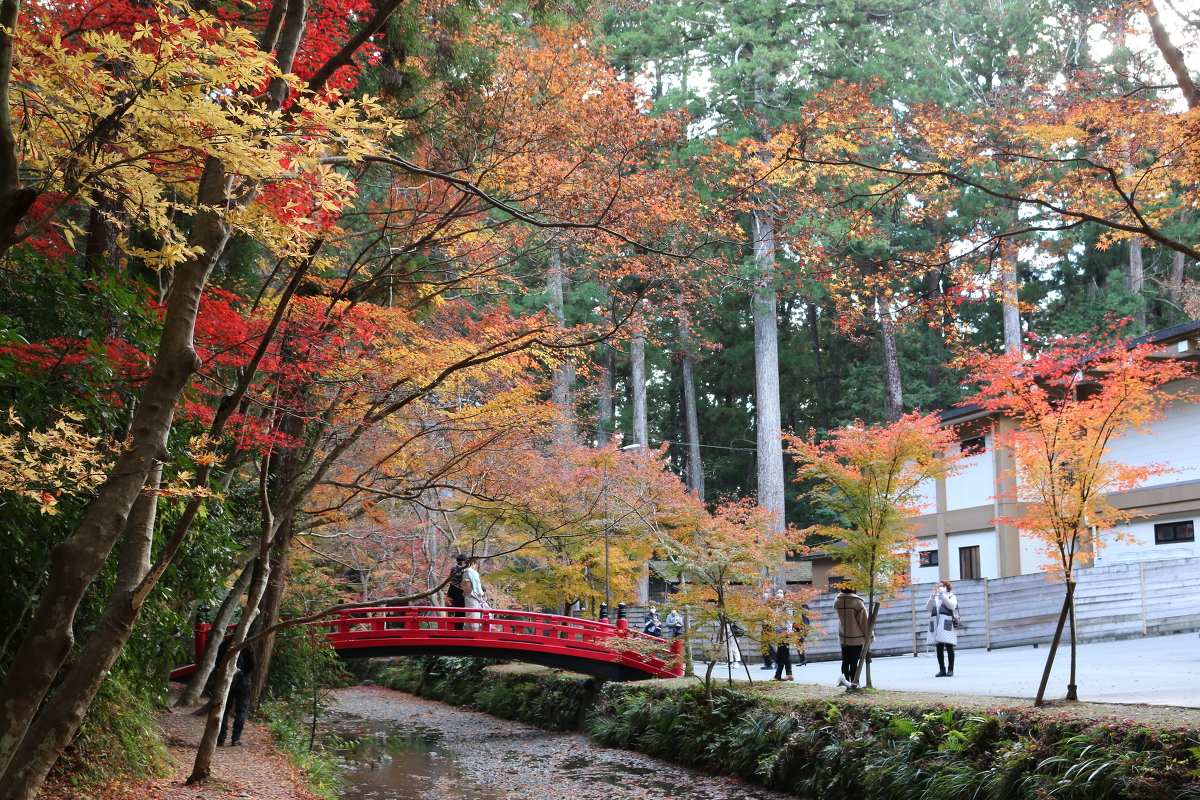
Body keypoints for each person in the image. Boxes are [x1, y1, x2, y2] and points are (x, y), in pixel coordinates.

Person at [216, 639, 256, 747]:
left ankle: (221, 738)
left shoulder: (225, 644)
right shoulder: (248, 645)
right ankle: (236, 738)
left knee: (224, 709)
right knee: (241, 710)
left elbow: (218, 663)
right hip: (243, 681)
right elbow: (252, 665)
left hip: (227, 680)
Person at [834, 586, 868, 690]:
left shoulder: (838, 601)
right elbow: (864, 621)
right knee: (854, 662)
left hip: (843, 634)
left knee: (845, 661)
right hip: (856, 635)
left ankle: (846, 684)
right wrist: (869, 636)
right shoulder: (857, 602)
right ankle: (854, 684)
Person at [926, 580, 959, 677]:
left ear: (947, 587)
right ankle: (942, 669)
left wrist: (943, 595)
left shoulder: (951, 596)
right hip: (936, 624)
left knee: (949, 647)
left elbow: (951, 606)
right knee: (939, 647)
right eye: (939, 586)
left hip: (946, 624)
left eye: (942, 586)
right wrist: (932, 597)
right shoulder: (935, 597)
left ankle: (950, 669)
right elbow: (928, 608)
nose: (940, 588)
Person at [773, 590, 793, 682]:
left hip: (784, 632)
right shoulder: (778, 607)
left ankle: (778, 675)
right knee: (785, 653)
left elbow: (789, 620)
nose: (778, 594)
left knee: (781, 654)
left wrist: (789, 632)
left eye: (781, 593)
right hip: (779, 632)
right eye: (778, 593)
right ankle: (789, 673)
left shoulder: (786, 607)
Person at [462, 557, 485, 630]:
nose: (476, 566)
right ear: (473, 563)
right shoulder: (473, 572)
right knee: (475, 616)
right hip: (473, 596)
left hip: (467, 596)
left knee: (468, 615)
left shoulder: (464, 572)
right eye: (475, 564)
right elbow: (477, 587)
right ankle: (474, 633)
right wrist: (482, 595)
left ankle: (469, 632)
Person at [447, 554, 467, 629]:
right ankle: (458, 627)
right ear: (463, 562)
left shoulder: (454, 569)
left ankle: (457, 627)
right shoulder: (459, 571)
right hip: (459, 594)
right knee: (460, 611)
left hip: (453, 593)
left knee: (458, 611)